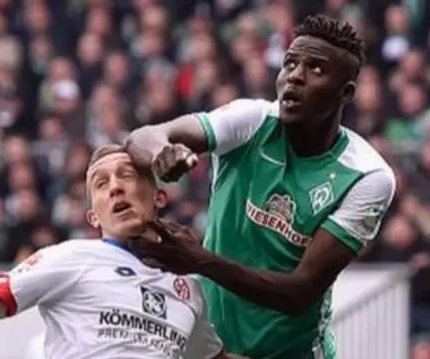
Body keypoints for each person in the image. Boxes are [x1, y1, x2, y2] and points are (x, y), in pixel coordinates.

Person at [125, 15, 396, 359]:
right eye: (290, 63)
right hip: (214, 350)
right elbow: (142, 137)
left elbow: (299, 292)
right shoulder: (251, 121)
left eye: (315, 69)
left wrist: (201, 261)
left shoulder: (367, 176)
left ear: (347, 93)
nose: (295, 75)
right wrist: (163, 152)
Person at [0, 144, 242, 359]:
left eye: (126, 175)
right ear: (93, 217)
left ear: (159, 196)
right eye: (101, 184)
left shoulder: (190, 291)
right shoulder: (69, 259)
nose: (115, 188)